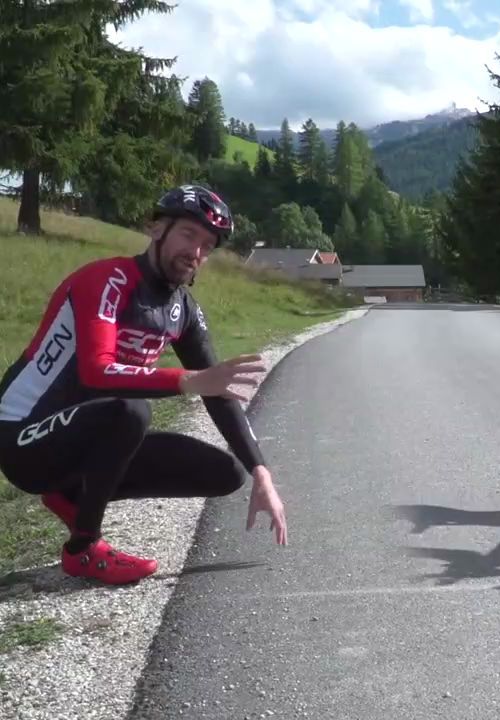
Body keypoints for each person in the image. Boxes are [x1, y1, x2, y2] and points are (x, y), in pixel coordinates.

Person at [0, 184, 288, 585]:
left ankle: (71, 496)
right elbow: (95, 371)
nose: (196, 252)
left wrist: (262, 473)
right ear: (157, 229)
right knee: (131, 411)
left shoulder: (181, 309)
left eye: (208, 245)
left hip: (83, 432)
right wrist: (189, 380)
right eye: (188, 235)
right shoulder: (107, 281)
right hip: (22, 438)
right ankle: (83, 548)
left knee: (226, 474)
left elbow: (217, 391)